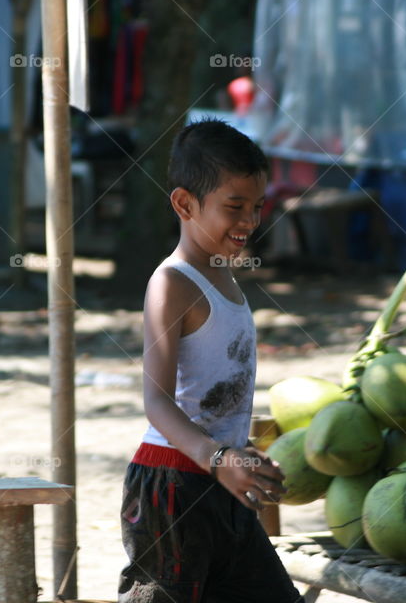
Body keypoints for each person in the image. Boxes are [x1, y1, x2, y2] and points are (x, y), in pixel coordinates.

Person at [118, 120, 305, 603]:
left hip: (224, 481)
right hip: (172, 488)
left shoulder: (226, 280)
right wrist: (219, 457)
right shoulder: (172, 283)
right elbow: (157, 402)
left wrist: (239, 453)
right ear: (185, 204)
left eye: (257, 206)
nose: (249, 220)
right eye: (234, 207)